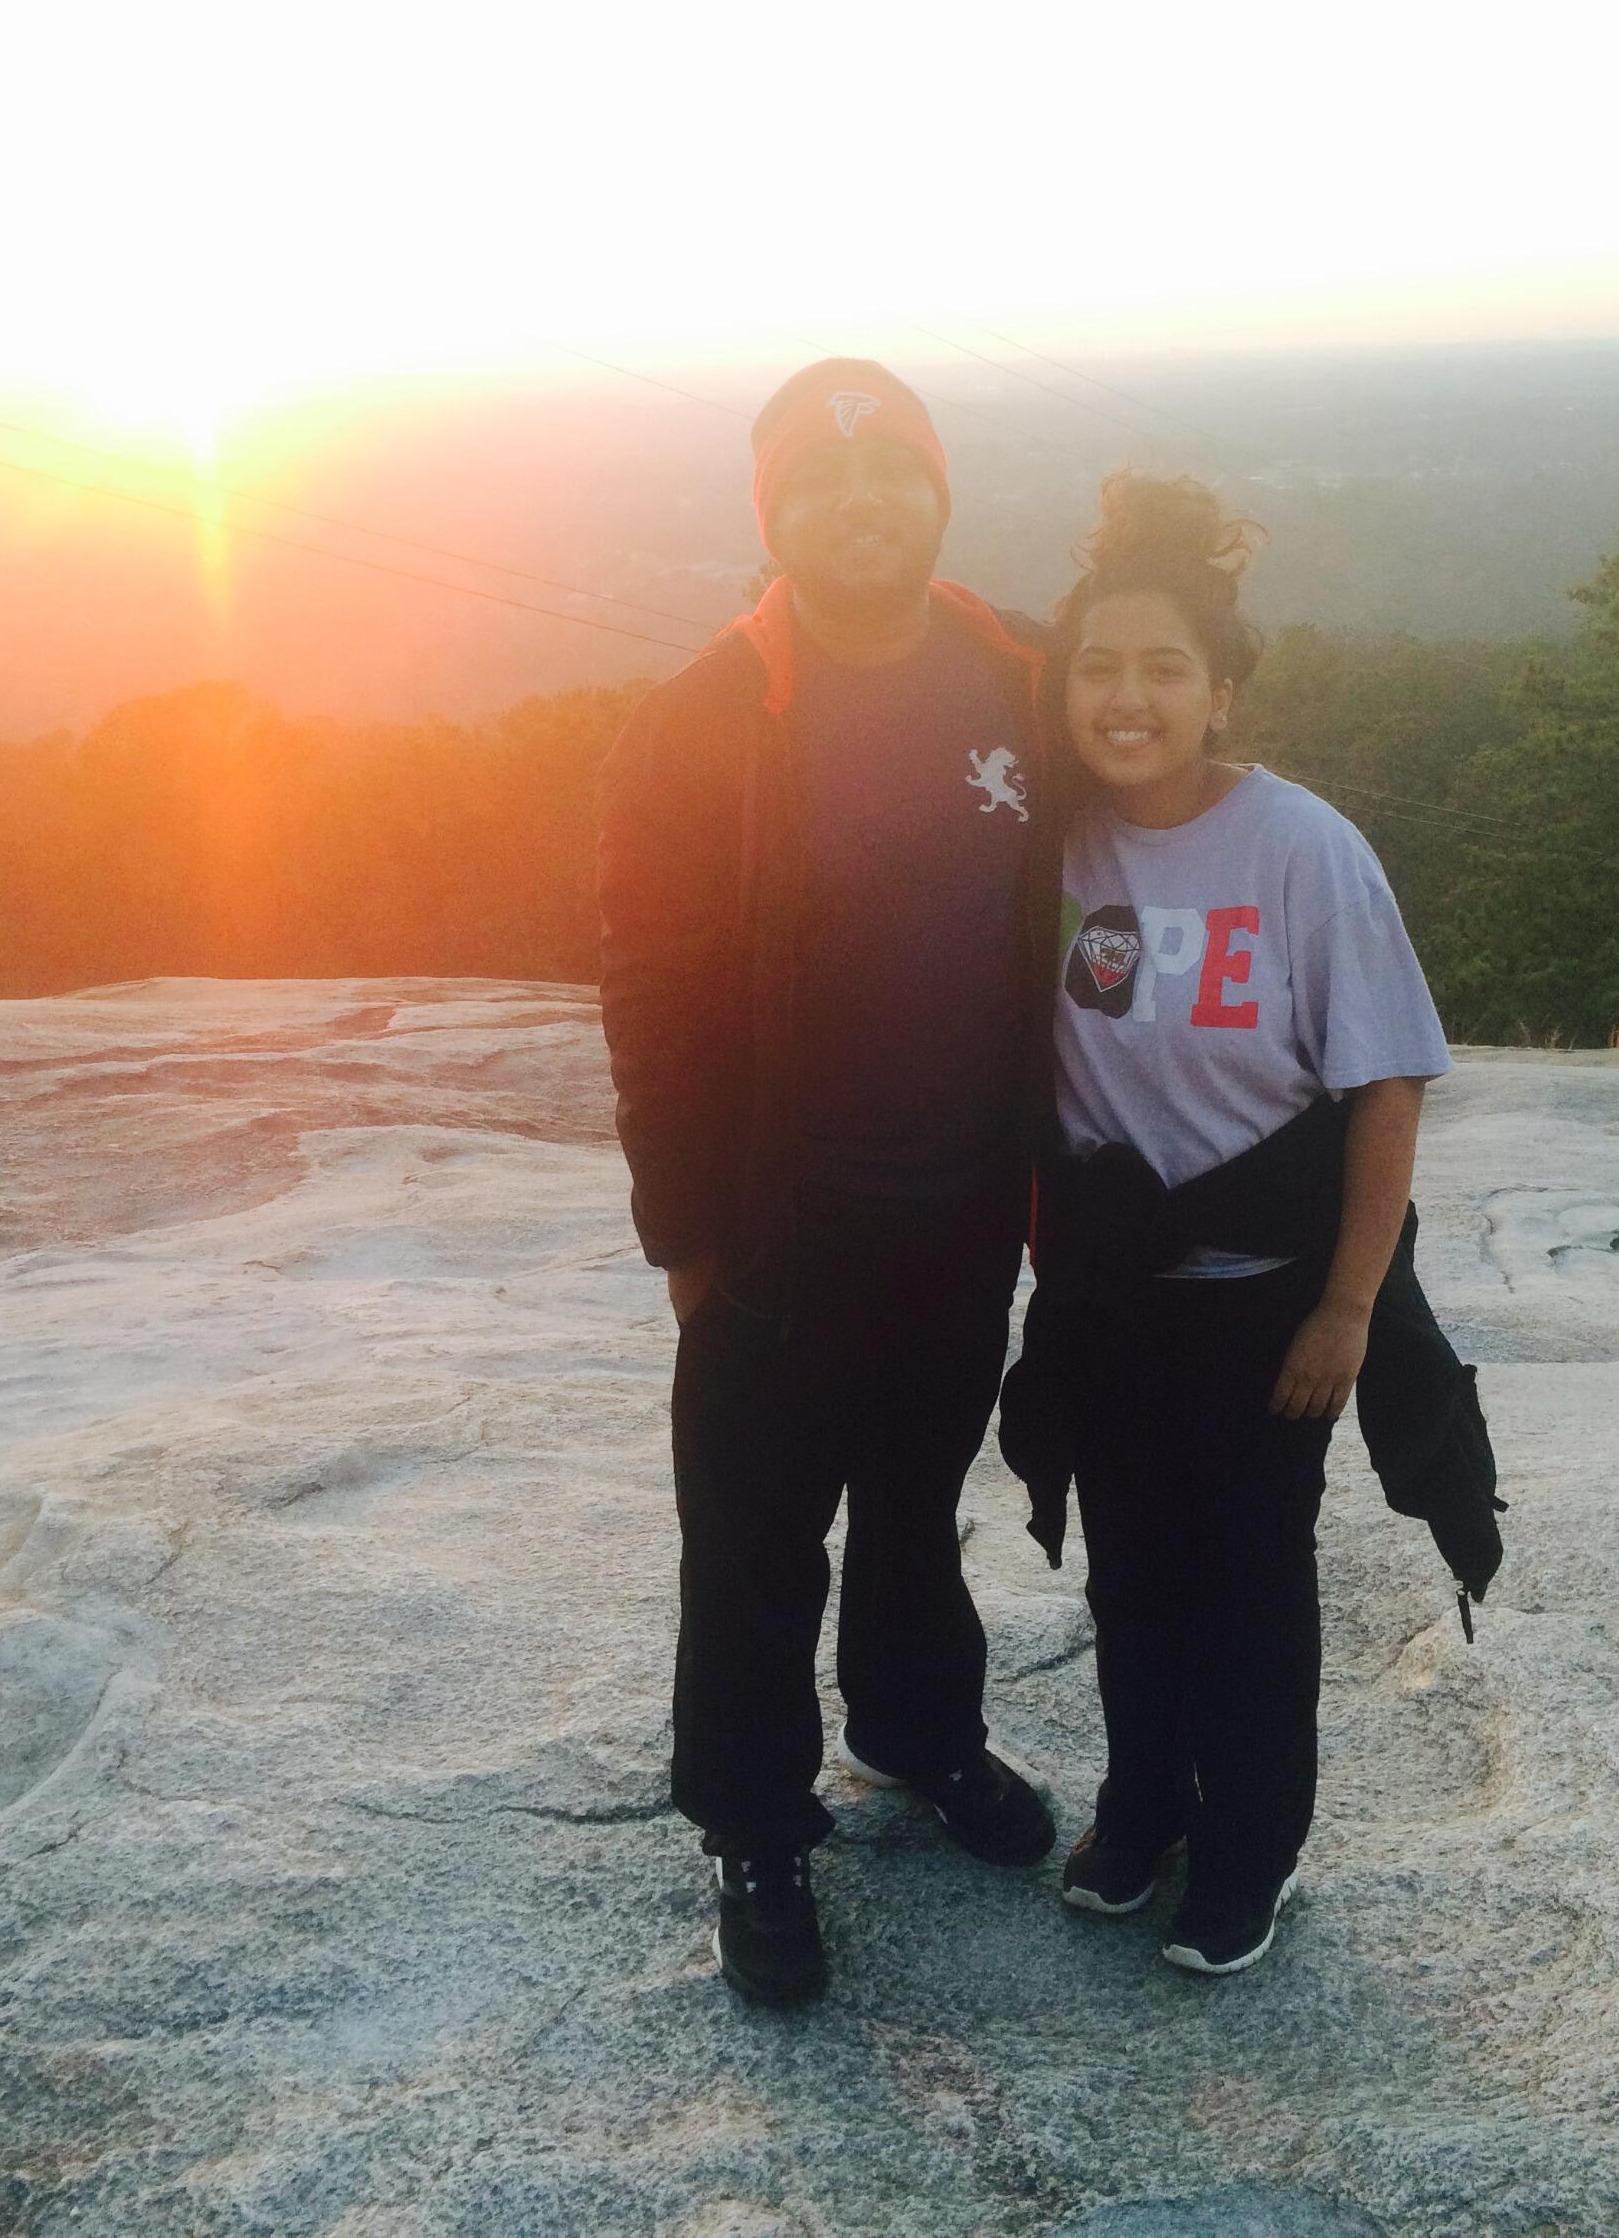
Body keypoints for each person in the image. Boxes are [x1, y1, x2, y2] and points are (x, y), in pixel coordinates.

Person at [597, 357, 1057, 2008]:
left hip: (958, 1214)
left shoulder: (1018, 674)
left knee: (919, 1517)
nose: (864, 507)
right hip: (778, 1230)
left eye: (895, 475)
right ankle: (755, 1825)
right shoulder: (706, 714)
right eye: (822, 484)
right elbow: (647, 992)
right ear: (775, 514)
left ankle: (923, 1737)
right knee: (754, 1542)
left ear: (937, 490)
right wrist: (687, 1242)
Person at [999, 471, 1502, 1978]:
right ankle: (1144, 1805)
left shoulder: (1301, 850)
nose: (1128, 697)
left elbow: (1386, 1094)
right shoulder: (1051, 846)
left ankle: (1251, 1845)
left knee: (1250, 1585)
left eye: (1166, 670)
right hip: (1112, 1300)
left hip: (1265, 1303)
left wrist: (1347, 1310)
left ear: (1221, 693)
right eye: (1099, 666)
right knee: (1131, 1571)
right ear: (1062, 686)